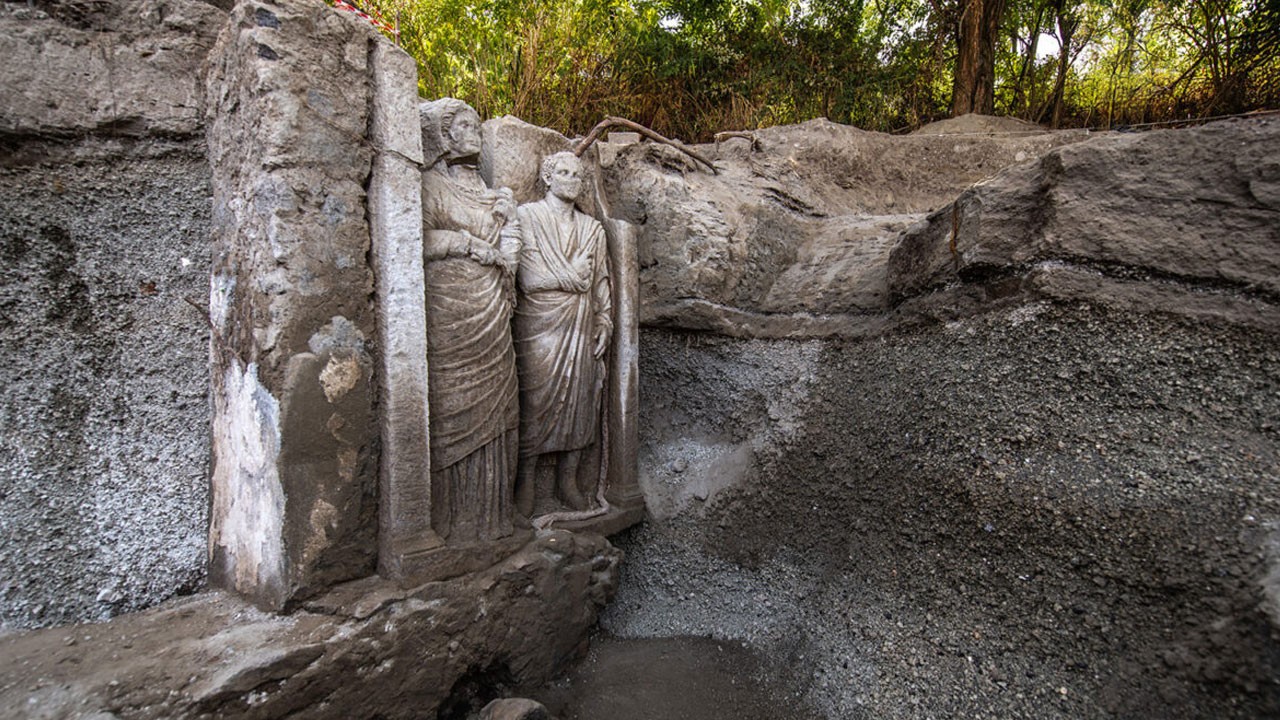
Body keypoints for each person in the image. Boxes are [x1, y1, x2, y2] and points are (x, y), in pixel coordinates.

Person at [419, 98, 522, 542]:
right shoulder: (429, 186)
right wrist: (465, 242)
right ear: (443, 136)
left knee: (498, 405)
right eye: (463, 124)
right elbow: (417, 239)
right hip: (451, 307)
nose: (474, 131)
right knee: (455, 404)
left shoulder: (493, 194)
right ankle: (452, 521)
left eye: (477, 124)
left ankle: (494, 517)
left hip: (494, 308)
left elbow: (512, 250)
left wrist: (509, 223)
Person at [513, 152, 612, 514]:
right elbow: (529, 279)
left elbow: (599, 281)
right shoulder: (527, 217)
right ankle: (525, 480)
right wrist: (571, 277)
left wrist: (605, 321)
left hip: (582, 325)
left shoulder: (592, 230)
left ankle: (567, 481)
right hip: (538, 326)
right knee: (534, 401)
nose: (572, 179)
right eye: (564, 172)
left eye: (578, 174)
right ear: (548, 177)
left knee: (581, 400)